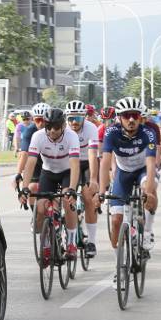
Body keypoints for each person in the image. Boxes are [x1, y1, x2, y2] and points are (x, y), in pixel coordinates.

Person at [99, 97, 159, 255]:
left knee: (149, 188)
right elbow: (105, 162)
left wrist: (150, 192)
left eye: (135, 115)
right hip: (123, 172)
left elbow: (151, 163)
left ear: (140, 117)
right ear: (119, 118)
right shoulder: (111, 132)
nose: (131, 119)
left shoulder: (148, 133)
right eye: (126, 116)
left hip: (143, 170)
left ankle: (147, 231)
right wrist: (100, 191)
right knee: (116, 221)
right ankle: (118, 263)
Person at [20, 108, 81, 261]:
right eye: (49, 127)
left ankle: (71, 242)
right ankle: (46, 244)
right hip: (48, 173)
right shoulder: (38, 136)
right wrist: (25, 187)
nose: (52, 131)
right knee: (40, 207)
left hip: (67, 172)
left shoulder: (71, 136)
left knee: (68, 202)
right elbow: (31, 162)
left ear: (63, 126)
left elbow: (74, 164)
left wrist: (72, 189)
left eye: (56, 127)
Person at [65, 100, 102, 258]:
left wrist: (93, 179)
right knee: (67, 198)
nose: (74, 122)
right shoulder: (64, 128)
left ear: (84, 118)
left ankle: (91, 241)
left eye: (78, 119)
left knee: (88, 197)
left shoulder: (91, 128)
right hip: (69, 163)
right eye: (71, 118)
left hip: (87, 162)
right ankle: (69, 237)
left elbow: (93, 155)